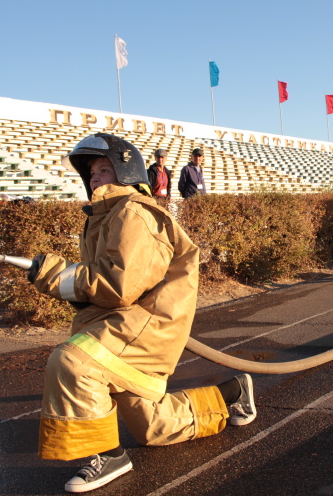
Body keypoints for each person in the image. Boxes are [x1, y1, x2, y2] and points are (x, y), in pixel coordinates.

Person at [27, 133, 256, 493]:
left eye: (104, 168)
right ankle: (232, 393)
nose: (94, 177)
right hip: (128, 322)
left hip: (146, 324)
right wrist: (61, 279)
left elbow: (120, 286)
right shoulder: (106, 215)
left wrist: (55, 275)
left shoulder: (133, 212)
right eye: (91, 172)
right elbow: (105, 283)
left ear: (126, 171)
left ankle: (107, 455)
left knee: (73, 363)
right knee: (154, 426)